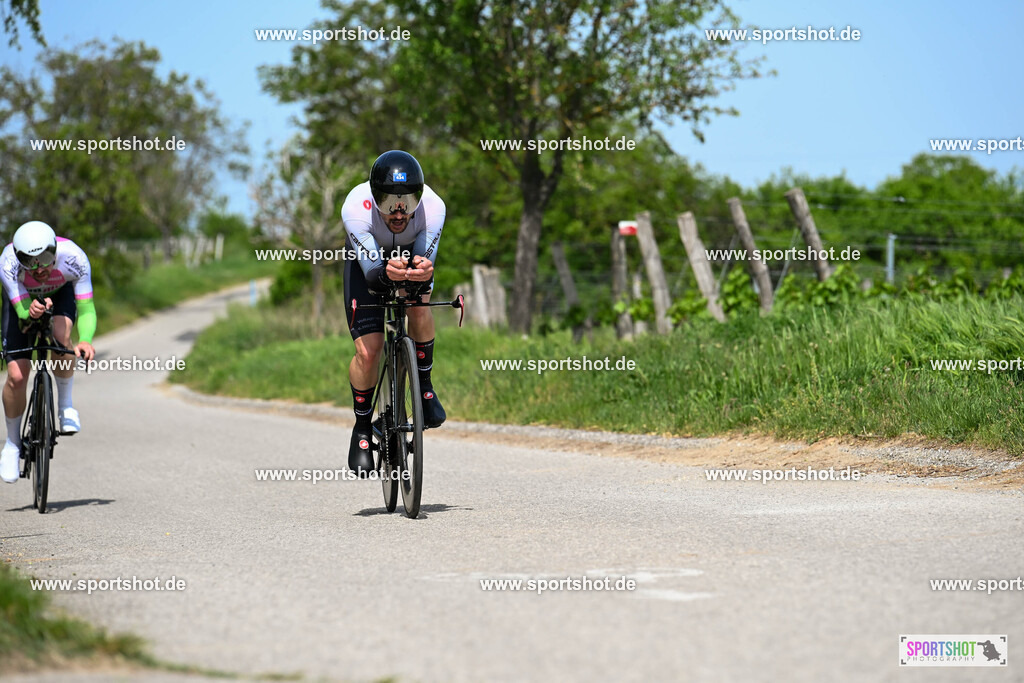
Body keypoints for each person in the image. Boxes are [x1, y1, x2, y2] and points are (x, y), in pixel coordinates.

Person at [341, 150, 446, 475]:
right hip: (367, 264)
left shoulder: (433, 207)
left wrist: (420, 273)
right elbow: (372, 272)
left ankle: (424, 388)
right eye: (388, 203)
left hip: (409, 253)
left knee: (418, 305)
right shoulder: (356, 207)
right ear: (374, 198)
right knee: (370, 352)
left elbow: (424, 261)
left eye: (407, 202)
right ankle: (361, 428)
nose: (399, 212)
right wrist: (388, 273)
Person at [0, 221, 96, 484]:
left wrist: (85, 340)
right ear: (18, 257)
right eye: (29, 261)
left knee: (62, 336)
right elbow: (21, 311)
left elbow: (87, 309)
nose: (39, 268)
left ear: (55, 250)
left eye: (44, 258)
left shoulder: (75, 257)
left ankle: (66, 406)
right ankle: (12, 443)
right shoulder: (7, 263)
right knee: (17, 377)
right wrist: (29, 310)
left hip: (61, 292)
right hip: (22, 299)